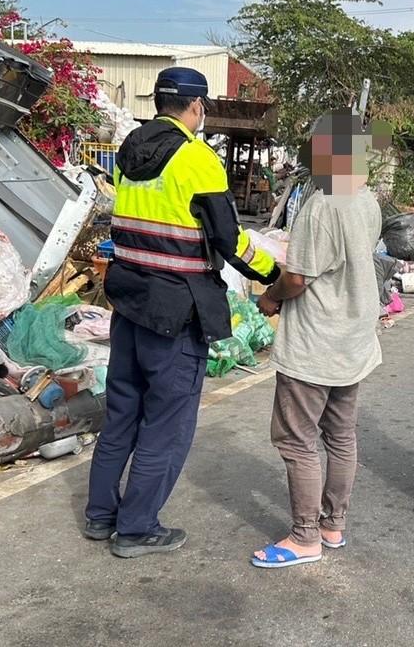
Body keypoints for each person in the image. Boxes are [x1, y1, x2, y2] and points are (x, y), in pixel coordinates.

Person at [85, 67, 280, 558]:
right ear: (197, 106)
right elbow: (228, 239)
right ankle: (136, 529)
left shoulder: (127, 152)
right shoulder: (198, 158)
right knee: (167, 423)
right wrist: (272, 272)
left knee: (122, 412)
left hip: (128, 301)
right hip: (175, 310)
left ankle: (100, 515)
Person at [250, 108, 386, 569]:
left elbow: (297, 278)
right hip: (353, 341)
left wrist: (269, 298)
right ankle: (332, 525)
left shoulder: (324, 204)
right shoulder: (366, 199)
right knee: (341, 435)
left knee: (296, 440)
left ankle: (304, 537)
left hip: (315, 343)